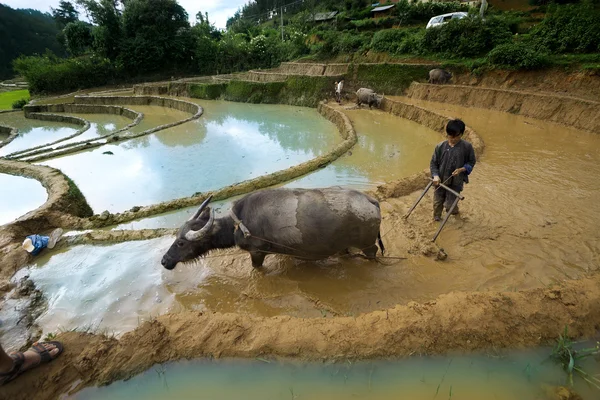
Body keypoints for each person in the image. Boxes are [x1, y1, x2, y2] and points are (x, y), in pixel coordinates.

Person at [430, 119, 476, 221]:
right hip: (440, 181)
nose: (453, 139)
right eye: (451, 136)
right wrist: (435, 175)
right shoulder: (440, 147)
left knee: (449, 205)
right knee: (437, 203)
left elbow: (471, 162)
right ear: (447, 134)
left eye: (457, 136)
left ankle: (454, 211)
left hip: (456, 182)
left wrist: (462, 169)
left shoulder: (467, 147)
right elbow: (433, 163)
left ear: (462, 134)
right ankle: (436, 219)